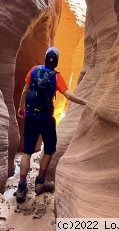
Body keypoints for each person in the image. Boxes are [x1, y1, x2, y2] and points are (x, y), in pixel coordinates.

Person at [15, 47, 87, 203]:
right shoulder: (56, 77)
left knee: (26, 152)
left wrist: (22, 107)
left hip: (31, 116)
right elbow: (67, 94)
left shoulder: (34, 70)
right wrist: (83, 102)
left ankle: (21, 187)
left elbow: (25, 91)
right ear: (57, 61)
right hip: (46, 118)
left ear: (45, 57)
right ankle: (40, 182)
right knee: (48, 149)